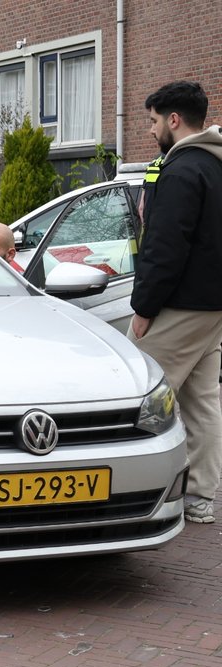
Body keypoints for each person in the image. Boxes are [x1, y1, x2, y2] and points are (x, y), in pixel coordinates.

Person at [128, 80, 222, 524]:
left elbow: (165, 247)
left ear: (173, 119)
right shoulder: (216, 167)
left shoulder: (181, 172)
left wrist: (144, 308)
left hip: (178, 305)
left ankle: (132, 493)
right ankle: (201, 498)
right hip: (213, 307)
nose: (150, 131)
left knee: (135, 390)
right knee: (203, 402)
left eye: (151, 121)